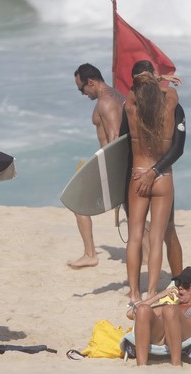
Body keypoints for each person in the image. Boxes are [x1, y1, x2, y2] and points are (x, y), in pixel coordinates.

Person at [124, 71, 178, 302]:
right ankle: (152, 292)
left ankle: (134, 293)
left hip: (138, 175)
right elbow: (172, 91)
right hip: (162, 176)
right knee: (156, 237)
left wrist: (147, 81)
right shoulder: (168, 110)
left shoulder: (131, 110)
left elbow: (132, 94)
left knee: (135, 236)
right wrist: (159, 80)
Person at [68, 63, 125, 269]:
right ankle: (145, 255)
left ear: (90, 82)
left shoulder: (105, 102)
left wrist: (109, 172)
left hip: (112, 164)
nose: (82, 93)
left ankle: (90, 254)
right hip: (121, 163)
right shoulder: (118, 95)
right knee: (132, 213)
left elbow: (115, 137)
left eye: (81, 88)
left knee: (78, 201)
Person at [127, 267, 191, 366]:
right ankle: (141, 367)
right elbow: (130, 313)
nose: (180, 287)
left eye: (186, 284)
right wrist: (159, 296)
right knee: (143, 310)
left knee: (170, 310)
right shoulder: (171, 305)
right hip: (163, 336)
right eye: (178, 282)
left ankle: (176, 365)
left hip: (188, 334)